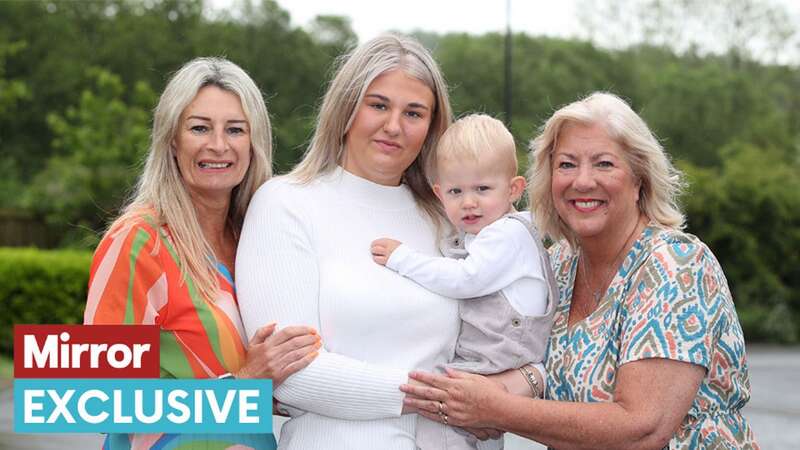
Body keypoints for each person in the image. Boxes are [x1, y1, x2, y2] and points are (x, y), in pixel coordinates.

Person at [401, 92, 759, 449]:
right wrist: (483, 392)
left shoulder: (677, 265)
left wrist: (497, 409)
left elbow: (643, 429)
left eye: (603, 164)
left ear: (639, 179)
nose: (582, 181)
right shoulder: (557, 264)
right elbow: (535, 364)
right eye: (567, 165)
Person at [237, 34, 537, 450]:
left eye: (414, 113)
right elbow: (296, 377)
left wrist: (519, 386)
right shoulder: (286, 203)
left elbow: (521, 328)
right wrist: (444, 399)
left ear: (432, 128)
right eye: (378, 105)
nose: (394, 126)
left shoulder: (452, 216)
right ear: (346, 110)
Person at [84, 57, 321, 450]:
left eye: (235, 129)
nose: (218, 145)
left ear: (253, 143)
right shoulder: (138, 239)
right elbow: (97, 397)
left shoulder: (255, 240)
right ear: (172, 141)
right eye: (199, 128)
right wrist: (245, 384)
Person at [370, 114, 557, 450]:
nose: (468, 202)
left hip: (492, 364)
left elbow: (465, 279)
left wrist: (402, 259)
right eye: (456, 191)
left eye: (482, 189)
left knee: (436, 431)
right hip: (487, 367)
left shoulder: (507, 235)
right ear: (440, 194)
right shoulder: (479, 234)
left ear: (513, 189)